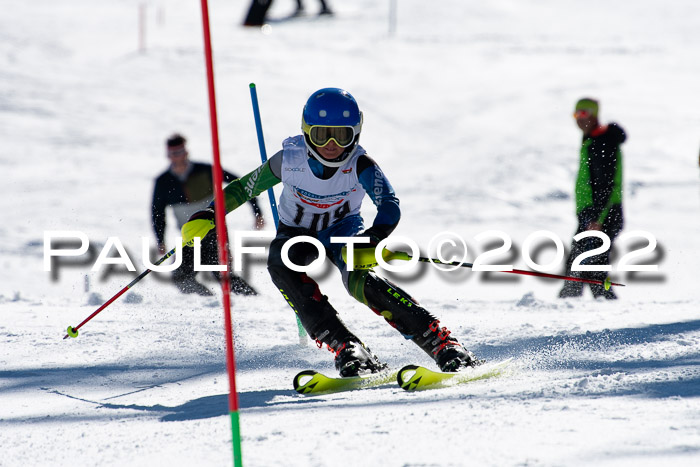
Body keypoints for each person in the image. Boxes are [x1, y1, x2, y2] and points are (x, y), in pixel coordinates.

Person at [182, 88, 479, 376]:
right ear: (307, 131)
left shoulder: (360, 164)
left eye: (342, 134)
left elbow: (389, 205)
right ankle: (346, 346)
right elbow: (242, 189)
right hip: (297, 233)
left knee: (359, 280)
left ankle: (441, 342)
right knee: (280, 263)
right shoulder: (289, 159)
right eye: (322, 134)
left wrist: (372, 239)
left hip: (343, 230)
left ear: (356, 133)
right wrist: (210, 213)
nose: (332, 143)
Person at [151, 133, 264, 296]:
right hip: (189, 237)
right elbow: (157, 213)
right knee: (180, 278)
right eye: (172, 154)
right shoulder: (163, 182)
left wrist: (257, 212)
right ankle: (208, 303)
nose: (177, 158)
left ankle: (254, 301)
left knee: (223, 276)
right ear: (168, 155)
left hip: (214, 233)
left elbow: (241, 185)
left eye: (180, 152)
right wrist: (160, 239)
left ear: (186, 152)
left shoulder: (204, 170)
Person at [559, 98, 625, 299]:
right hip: (593, 216)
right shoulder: (592, 140)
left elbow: (607, 184)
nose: (579, 119)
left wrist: (597, 218)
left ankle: (566, 309)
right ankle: (595, 307)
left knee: (584, 268)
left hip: (602, 216)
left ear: (595, 114)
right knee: (587, 267)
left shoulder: (603, 142)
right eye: (576, 114)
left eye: (584, 113)